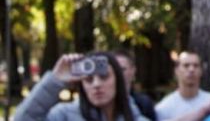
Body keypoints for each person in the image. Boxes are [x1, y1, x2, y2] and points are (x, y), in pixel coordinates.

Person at [14, 51, 148, 121]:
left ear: (118, 80)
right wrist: (55, 80)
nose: (96, 84)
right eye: (88, 79)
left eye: (104, 77)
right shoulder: (64, 116)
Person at [155, 51, 210, 120]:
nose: (191, 69)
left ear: (201, 71)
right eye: (186, 65)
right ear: (176, 71)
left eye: (196, 65)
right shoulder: (163, 108)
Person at [114, 50, 157, 121]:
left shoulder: (144, 104)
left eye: (122, 69)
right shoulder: (102, 102)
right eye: (115, 70)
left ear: (133, 70)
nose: (118, 74)